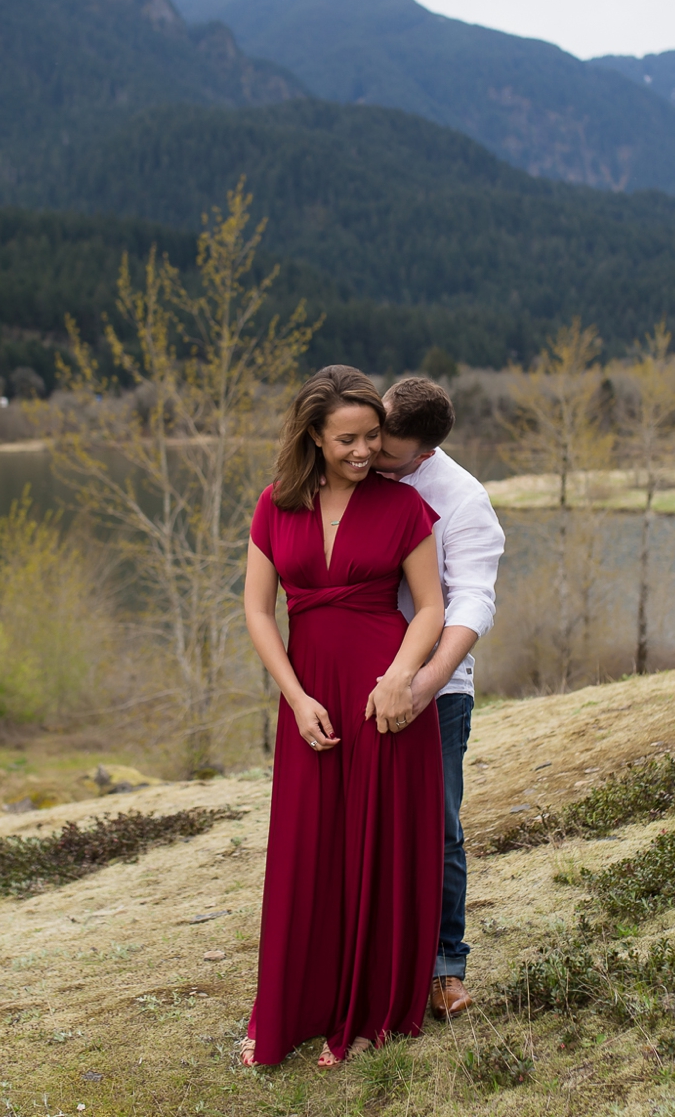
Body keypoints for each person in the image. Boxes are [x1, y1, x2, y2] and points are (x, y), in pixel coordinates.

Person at [241, 365, 449, 1069]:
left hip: (384, 696)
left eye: (373, 437)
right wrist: (295, 697)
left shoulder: (402, 507)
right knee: (310, 851)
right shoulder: (276, 503)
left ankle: (371, 1012)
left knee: (379, 851)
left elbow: (431, 610)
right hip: (310, 696)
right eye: (348, 440)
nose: (364, 452)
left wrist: (400, 681)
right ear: (313, 437)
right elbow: (256, 610)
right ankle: (295, 1007)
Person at [368, 376, 506, 1022]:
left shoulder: (462, 500)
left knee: (438, 830)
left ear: (421, 455)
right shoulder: (355, 466)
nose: (373, 458)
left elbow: (473, 600)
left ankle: (445, 966)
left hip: (436, 689)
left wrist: (425, 682)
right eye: (370, 439)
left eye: (388, 454)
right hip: (354, 680)